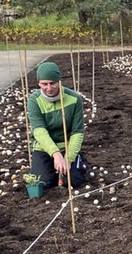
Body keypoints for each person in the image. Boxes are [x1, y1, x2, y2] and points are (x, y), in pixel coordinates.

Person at [27, 61, 87, 190]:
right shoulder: (34, 100)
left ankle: (78, 160)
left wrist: (68, 159)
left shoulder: (74, 98)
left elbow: (77, 132)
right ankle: (49, 169)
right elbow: (39, 131)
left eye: (52, 83)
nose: (49, 88)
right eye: (44, 84)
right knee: (43, 183)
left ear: (59, 81)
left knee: (72, 181)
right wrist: (56, 154)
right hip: (43, 148)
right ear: (39, 84)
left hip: (66, 146)